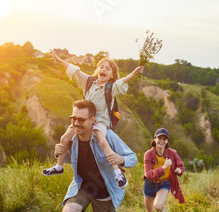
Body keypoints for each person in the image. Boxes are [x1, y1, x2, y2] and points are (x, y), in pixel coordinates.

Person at [55, 99, 137, 212]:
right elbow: (66, 155)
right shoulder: (73, 137)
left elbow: (132, 158)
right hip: (83, 186)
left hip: (105, 190)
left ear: (92, 120)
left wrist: (120, 159)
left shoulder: (108, 137)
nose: (76, 123)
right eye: (73, 118)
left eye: (81, 120)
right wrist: (59, 152)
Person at [42, 50, 144, 189]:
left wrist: (135, 73)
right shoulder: (89, 82)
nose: (103, 70)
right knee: (64, 138)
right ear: (97, 70)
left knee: (103, 141)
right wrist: (59, 59)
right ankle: (59, 166)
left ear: (112, 75)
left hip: (100, 121)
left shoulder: (111, 88)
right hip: (83, 119)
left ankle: (118, 174)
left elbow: (123, 81)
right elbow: (74, 69)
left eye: (108, 69)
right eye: (101, 67)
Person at [143, 128, 186, 212]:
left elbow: (180, 164)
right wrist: (163, 167)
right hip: (149, 184)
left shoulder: (172, 153)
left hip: (164, 184)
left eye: (164, 139)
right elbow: (149, 174)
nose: (161, 141)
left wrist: (179, 170)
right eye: (159, 138)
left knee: (157, 206)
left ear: (167, 141)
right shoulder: (148, 154)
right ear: (154, 139)